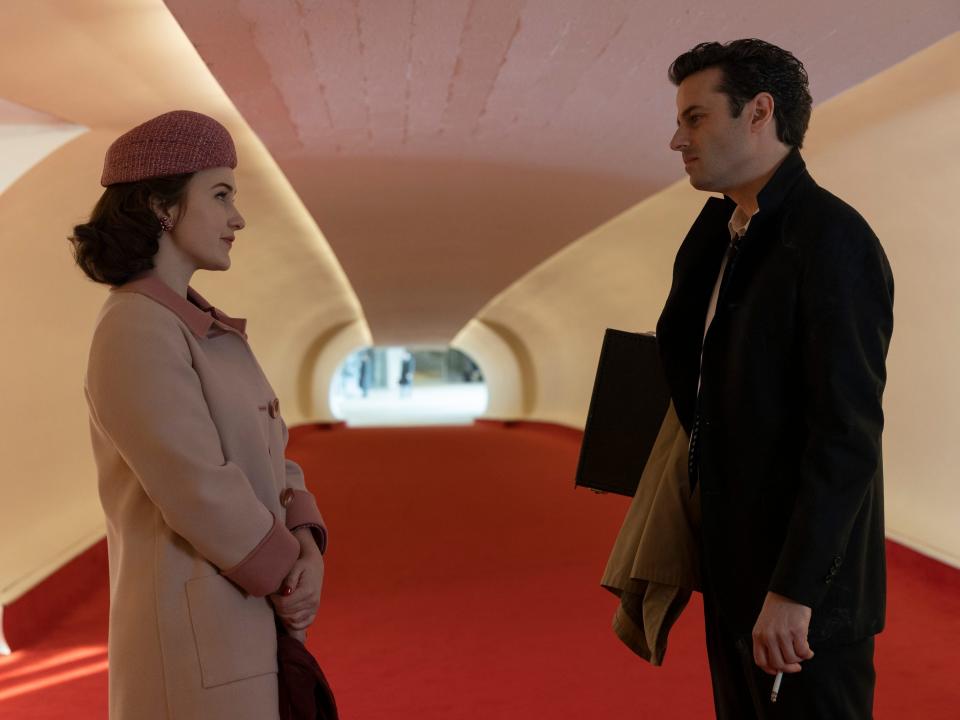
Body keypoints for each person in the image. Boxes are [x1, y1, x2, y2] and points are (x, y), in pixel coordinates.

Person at [656, 40, 893, 718]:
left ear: (759, 112)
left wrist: (795, 591)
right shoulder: (720, 235)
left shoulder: (832, 240)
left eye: (695, 118)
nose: (677, 139)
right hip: (733, 565)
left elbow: (846, 436)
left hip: (805, 598)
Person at [71, 110, 328, 720]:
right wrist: (288, 574)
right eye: (220, 195)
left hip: (238, 612)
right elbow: (197, 487)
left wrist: (307, 543)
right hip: (190, 638)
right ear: (161, 204)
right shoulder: (135, 326)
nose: (238, 218)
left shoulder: (199, 325)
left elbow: (273, 454)